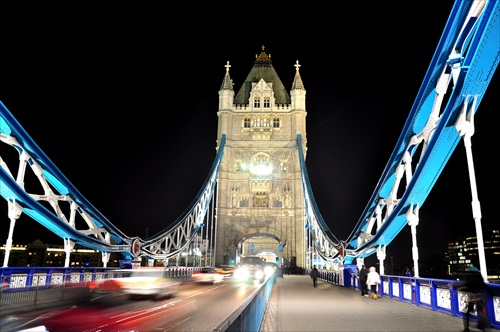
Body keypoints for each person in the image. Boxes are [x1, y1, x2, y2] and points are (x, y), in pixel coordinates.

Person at [457, 267, 489, 332]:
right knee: (480, 311)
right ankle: (482, 326)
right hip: (481, 295)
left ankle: (466, 328)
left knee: (467, 312)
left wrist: (459, 287)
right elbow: (483, 286)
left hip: (473, 296)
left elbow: (468, 285)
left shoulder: (470, 277)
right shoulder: (479, 277)